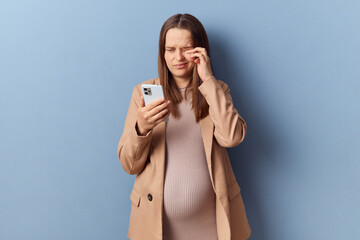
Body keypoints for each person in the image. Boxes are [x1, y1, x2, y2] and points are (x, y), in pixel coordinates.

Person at [117, 13, 251, 240]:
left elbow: (232, 137)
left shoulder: (216, 90)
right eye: (170, 49)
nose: (178, 57)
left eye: (186, 48)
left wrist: (207, 80)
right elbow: (130, 165)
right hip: (156, 227)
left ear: (200, 51)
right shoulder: (146, 93)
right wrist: (143, 127)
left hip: (212, 226)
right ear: (162, 53)